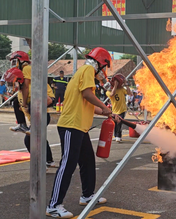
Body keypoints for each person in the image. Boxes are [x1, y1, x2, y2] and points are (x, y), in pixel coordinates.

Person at [46, 47, 120, 218]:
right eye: (105, 67)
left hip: (80, 127)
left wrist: (108, 112)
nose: (104, 72)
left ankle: (87, 196)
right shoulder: (87, 69)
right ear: (101, 63)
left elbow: (89, 104)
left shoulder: (85, 73)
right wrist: (105, 107)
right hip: (72, 125)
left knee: (87, 161)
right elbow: (87, 94)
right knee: (68, 164)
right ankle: (54, 205)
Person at [3, 67, 56, 168]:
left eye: (12, 83)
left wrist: (32, 106)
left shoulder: (33, 87)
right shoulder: (20, 93)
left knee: (29, 140)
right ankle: (49, 160)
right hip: (34, 119)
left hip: (42, 117)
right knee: (40, 139)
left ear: (19, 81)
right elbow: (21, 105)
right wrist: (23, 107)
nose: (11, 86)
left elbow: (49, 101)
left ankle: (40, 164)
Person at [6, 51, 31, 134]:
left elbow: (26, 86)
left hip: (35, 97)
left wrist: (23, 103)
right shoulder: (22, 70)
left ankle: (32, 127)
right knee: (16, 102)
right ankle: (22, 124)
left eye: (15, 61)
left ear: (20, 61)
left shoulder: (26, 68)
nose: (13, 64)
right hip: (30, 96)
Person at [106, 73, 132, 142]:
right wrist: (115, 85)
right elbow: (112, 94)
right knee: (114, 123)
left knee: (119, 123)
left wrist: (126, 85)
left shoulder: (122, 89)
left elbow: (129, 93)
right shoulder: (108, 92)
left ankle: (119, 136)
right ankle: (115, 135)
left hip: (122, 109)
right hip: (114, 110)